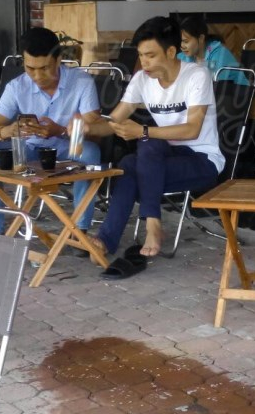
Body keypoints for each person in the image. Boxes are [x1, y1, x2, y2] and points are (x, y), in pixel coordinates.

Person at [83, 17, 224, 276]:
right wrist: (86, 128)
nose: (144, 62)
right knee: (132, 161)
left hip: (201, 159)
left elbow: (192, 129)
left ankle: (147, 225)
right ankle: (110, 238)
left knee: (142, 147)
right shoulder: (141, 79)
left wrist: (143, 131)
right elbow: (114, 121)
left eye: (150, 55)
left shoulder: (196, 75)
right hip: (161, 160)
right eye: (141, 55)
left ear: (171, 52)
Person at [0, 27, 102, 234]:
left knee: (90, 152)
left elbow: (95, 133)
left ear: (59, 60)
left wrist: (60, 131)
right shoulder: (17, 87)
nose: (37, 76)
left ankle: (80, 229)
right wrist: (8, 131)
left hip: (67, 147)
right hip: (29, 149)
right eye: (30, 68)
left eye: (44, 68)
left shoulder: (81, 82)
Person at [178, 15, 248, 85]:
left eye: (186, 41)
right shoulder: (183, 56)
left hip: (239, 90)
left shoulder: (220, 54)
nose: (181, 46)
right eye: (180, 41)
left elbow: (212, 85)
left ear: (201, 38)